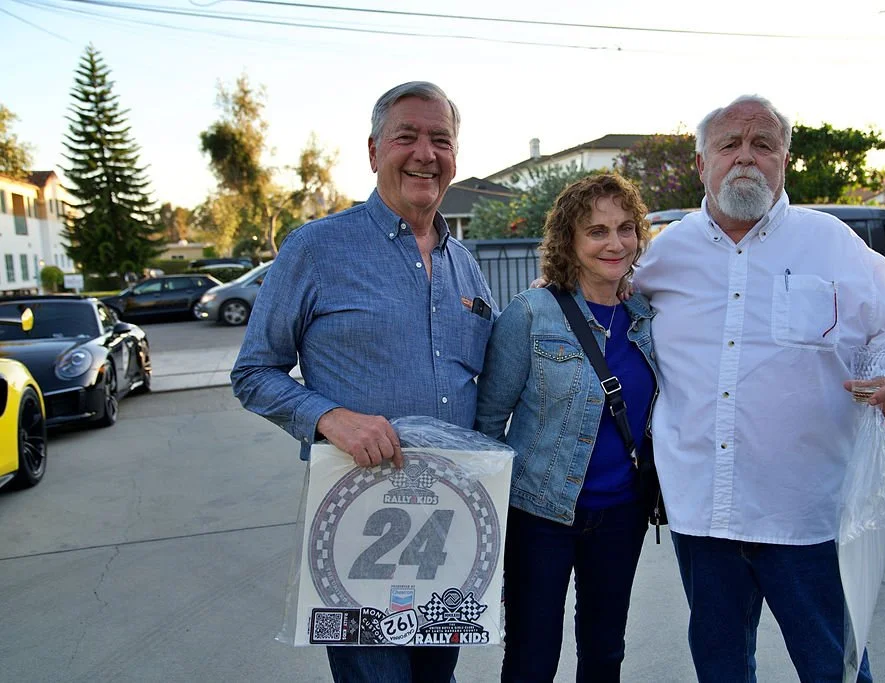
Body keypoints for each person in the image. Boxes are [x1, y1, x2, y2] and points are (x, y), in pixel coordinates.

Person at [632, 95, 885, 682]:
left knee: (835, 668)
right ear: (702, 164)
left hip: (806, 513)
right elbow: (602, 303)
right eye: (729, 145)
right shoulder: (664, 253)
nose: (746, 157)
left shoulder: (834, 245)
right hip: (704, 514)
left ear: (784, 161)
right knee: (721, 668)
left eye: (763, 145)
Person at [231, 81, 495, 683]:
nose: (425, 153)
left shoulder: (465, 262)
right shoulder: (316, 249)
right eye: (407, 136)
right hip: (356, 527)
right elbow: (252, 372)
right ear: (374, 149)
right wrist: (329, 417)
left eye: (441, 140)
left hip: (451, 527)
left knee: (437, 678)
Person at [475, 173, 658, 682]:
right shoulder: (532, 313)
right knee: (533, 659)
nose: (615, 243)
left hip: (622, 512)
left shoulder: (646, 314)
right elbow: (488, 422)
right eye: (597, 231)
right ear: (569, 242)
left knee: (605, 653)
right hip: (539, 514)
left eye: (625, 228)